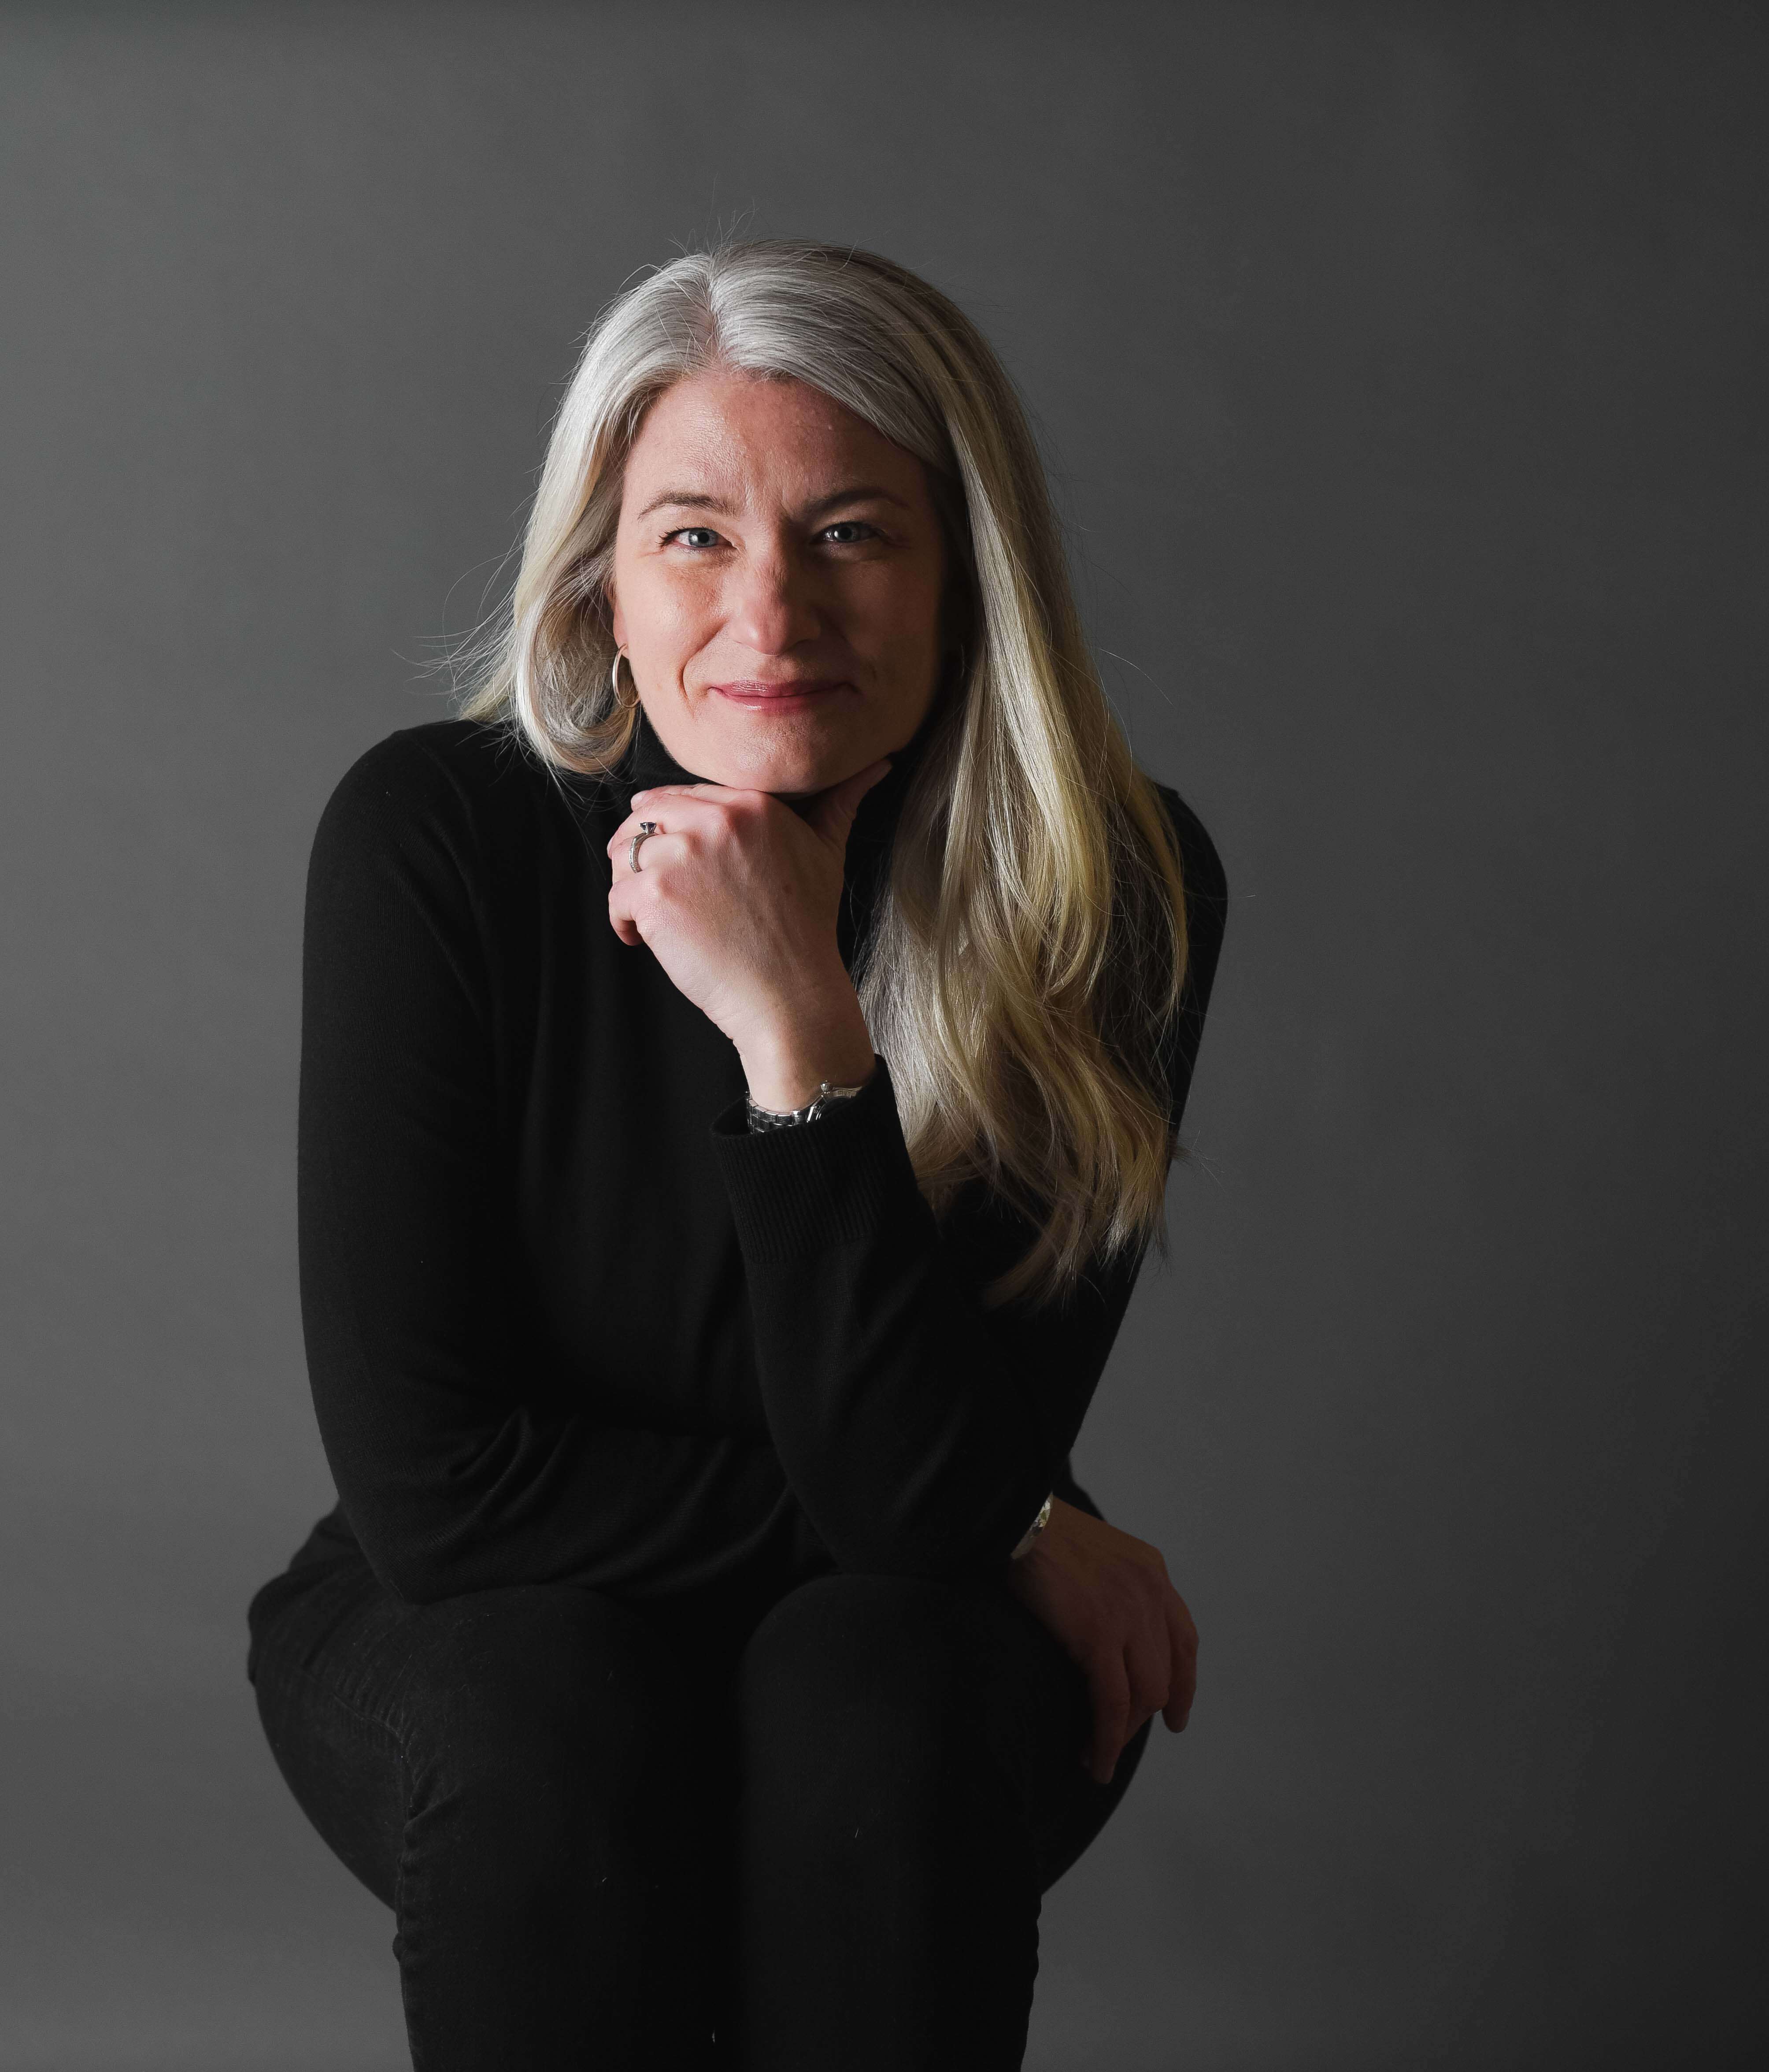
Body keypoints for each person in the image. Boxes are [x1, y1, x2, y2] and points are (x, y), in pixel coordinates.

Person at [245, 239, 1229, 2072]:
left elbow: (901, 1542)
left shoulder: (1111, 895)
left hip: (904, 1636)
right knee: (549, 1696)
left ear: (964, 583)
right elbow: (443, 1496)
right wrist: (1015, 1526)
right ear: (602, 585)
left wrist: (797, 1035)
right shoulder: (431, 843)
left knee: (871, 1686)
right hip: (471, 1628)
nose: (767, 616)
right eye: (692, 533)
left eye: (852, 532)